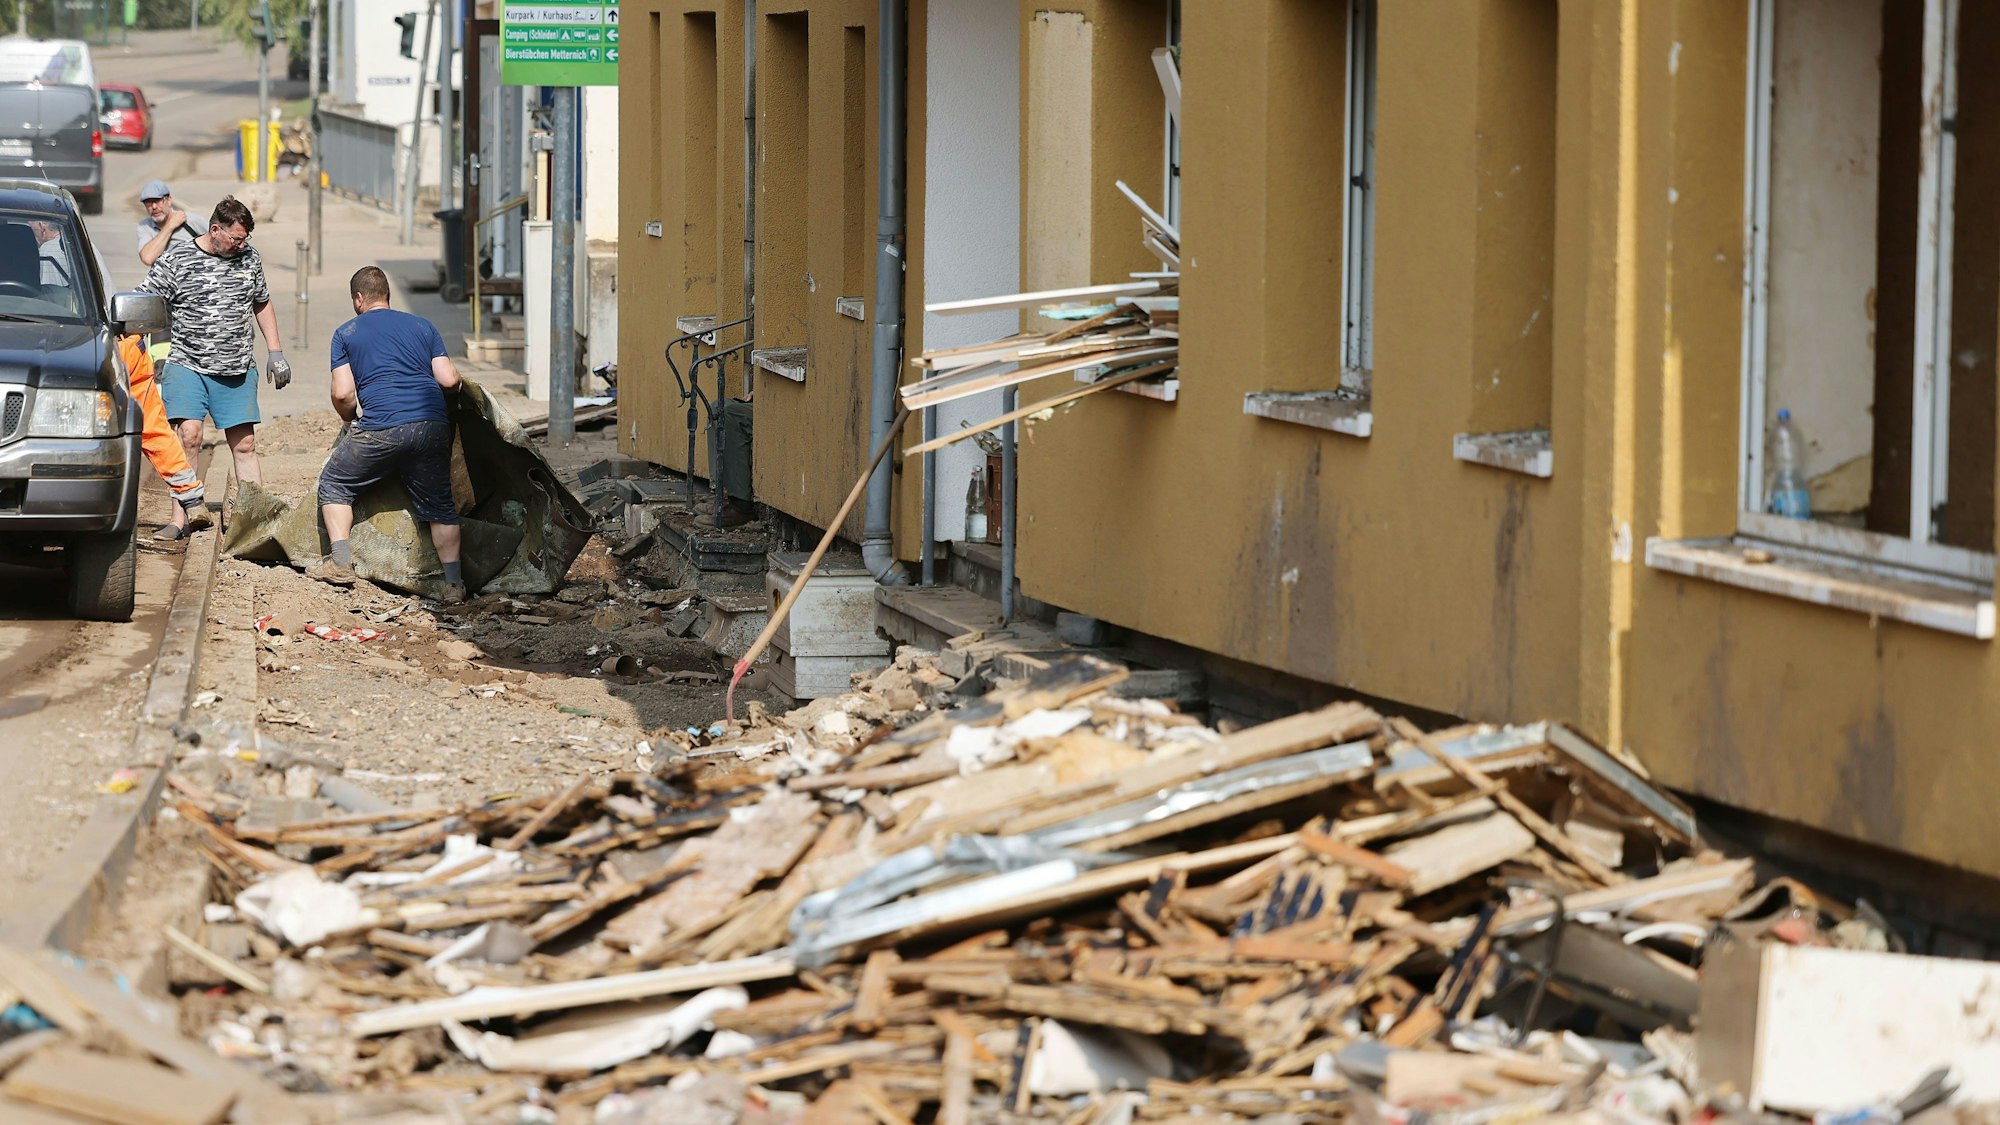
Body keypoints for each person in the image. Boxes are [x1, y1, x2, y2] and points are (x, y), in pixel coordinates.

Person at [308, 266, 466, 603]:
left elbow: (343, 394)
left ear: (358, 299)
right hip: (431, 425)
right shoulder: (424, 326)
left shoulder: (346, 332)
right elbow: (450, 380)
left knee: (335, 482)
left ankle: (340, 564)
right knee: (440, 506)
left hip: (382, 427)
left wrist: (349, 421)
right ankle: (454, 585)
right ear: (388, 296)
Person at [138, 196, 290, 494]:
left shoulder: (249, 258)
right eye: (235, 238)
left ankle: (252, 517)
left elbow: (262, 302)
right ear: (215, 230)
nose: (241, 245)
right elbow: (144, 301)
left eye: (245, 239)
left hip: (237, 368)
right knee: (190, 436)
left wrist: (276, 352)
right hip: (187, 365)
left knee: (245, 444)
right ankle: (183, 516)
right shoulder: (177, 259)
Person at [118, 333, 211, 539]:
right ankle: (191, 499)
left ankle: (191, 498)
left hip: (116, 350)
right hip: (104, 345)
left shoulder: (127, 349)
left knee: (152, 427)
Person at [135, 179, 196, 267]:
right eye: (148, 203)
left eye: (158, 201)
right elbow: (148, 258)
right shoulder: (145, 226)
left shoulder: (190, 220)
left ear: (169, 200)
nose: (154, 207)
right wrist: (171, 225)